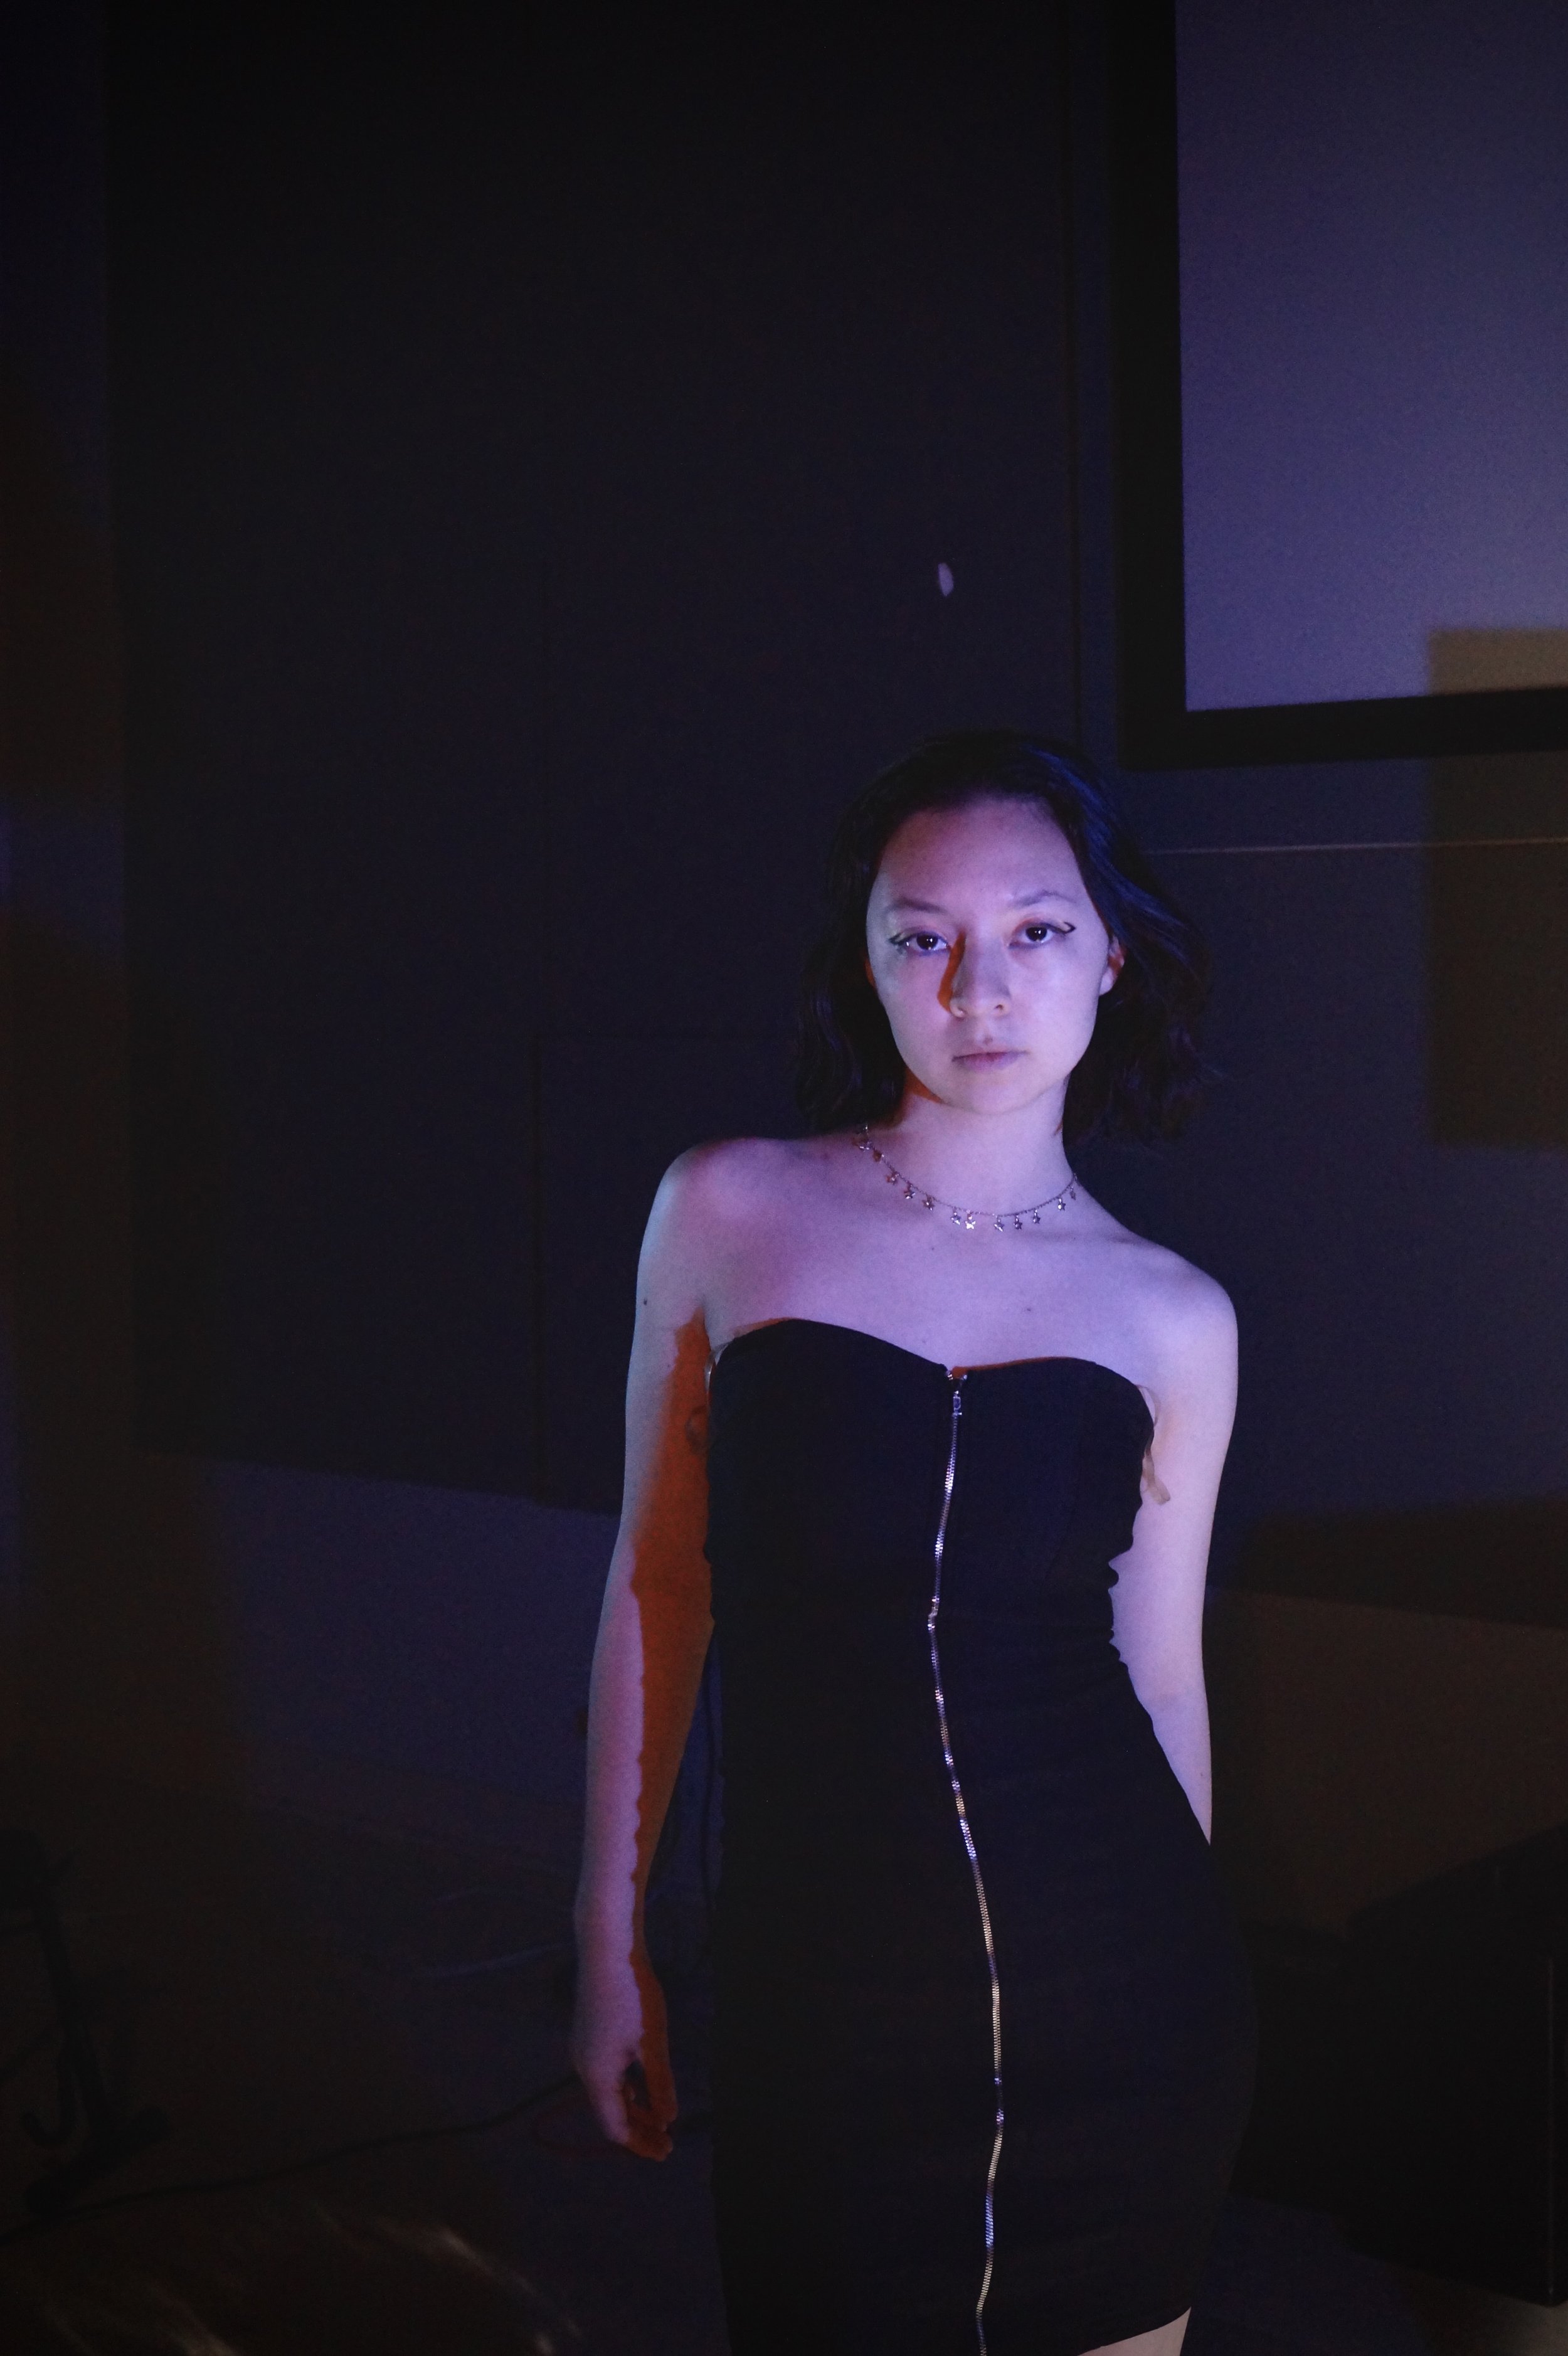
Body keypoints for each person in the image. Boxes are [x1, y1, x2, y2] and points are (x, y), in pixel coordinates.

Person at [572, 731, 1256, 2356]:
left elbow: (1162, 1678)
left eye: (1034, 930)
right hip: (830, 1995)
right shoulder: (728, 1209)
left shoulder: (1174, 1314)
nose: (979, 987)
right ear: (866, 964)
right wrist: (605, 1934)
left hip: (1123, 1988)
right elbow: (658, 1583)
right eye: (922, 936)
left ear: (1109, 953)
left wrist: (1188, 1967)